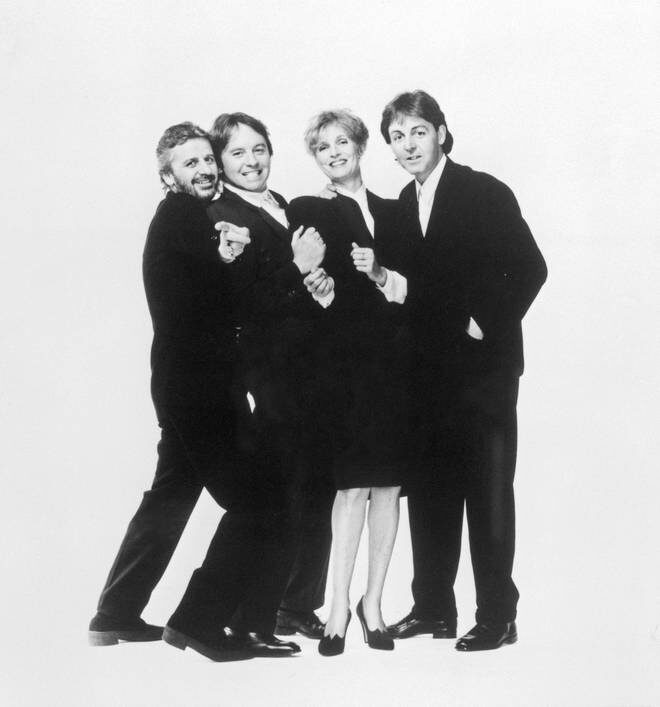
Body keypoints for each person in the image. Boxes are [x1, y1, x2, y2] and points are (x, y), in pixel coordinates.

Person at [89, 122, 296, 660]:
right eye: (191, 163)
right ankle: (198, 624)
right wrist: (235, 259)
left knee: (171, 494)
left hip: (181, 384)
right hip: (202, 390)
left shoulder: (185, 220)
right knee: (261, 500)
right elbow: (219, 297)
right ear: (168, 175)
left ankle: (115, 613)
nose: (205, 170)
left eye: (208, 159)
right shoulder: (183, 214)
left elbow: (200, 291)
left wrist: (224, 258)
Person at [380, 91, 547, 651]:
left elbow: (530, 267)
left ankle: (498, 615)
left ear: (441, 133)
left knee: (488, 490)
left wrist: (483, 321)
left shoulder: (484, 191)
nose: (409, 144)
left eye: (418, 131)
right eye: (398, 136)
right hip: (425, 376)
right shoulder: (401, 204)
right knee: (430, 489)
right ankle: (433, 608)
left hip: (483, 372)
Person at [286, 109, 410, 656]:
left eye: (342, 142)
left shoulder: (396, 210)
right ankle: (337, 606)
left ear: (360, 146)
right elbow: (309, 288)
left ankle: (373, 604)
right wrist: (326, 292)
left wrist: (381, 274)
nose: (334, 153)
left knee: (389, 487)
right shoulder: (308, 208)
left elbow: (414, 287)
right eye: (322, 147)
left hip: (396, 366)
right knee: (352, 486)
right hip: (345, 366)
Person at [206, 112, 333, 642]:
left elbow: (293, 290)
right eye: (238, 152)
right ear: (221, 162)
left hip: (313, 365)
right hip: (273, 371)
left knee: (317, 485)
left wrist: (319, 287)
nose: (252, 160)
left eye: (259, 148)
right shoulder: (222, 216)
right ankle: (253, 612)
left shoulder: (280, 204)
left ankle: (297, 604)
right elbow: (244, 304)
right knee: (278, 493)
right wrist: (299, 269)